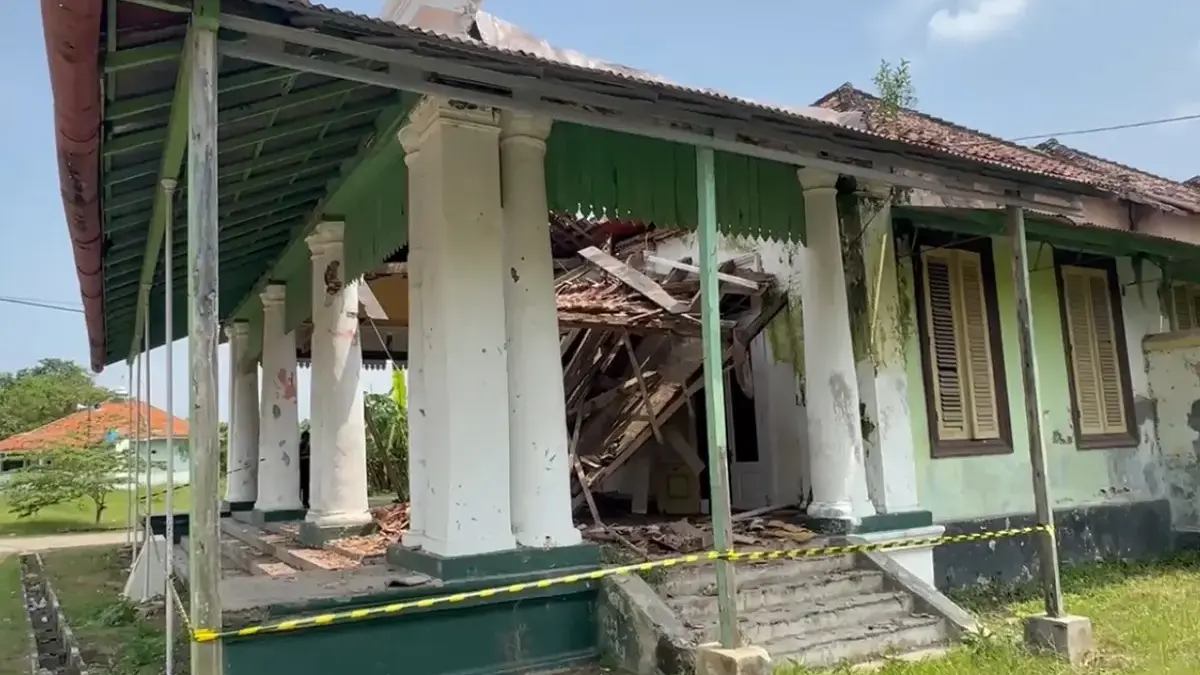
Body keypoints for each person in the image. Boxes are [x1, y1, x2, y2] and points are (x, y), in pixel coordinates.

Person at [299, 429, 311, 509]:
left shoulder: (308, 446)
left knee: (306, 487)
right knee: (303, 486)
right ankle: (304, 502)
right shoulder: (301, 446)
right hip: (302, 469)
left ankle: (305, 502)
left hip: (306, 469)